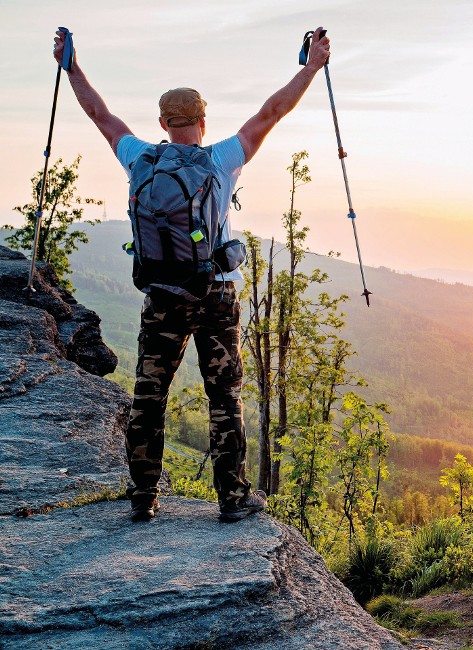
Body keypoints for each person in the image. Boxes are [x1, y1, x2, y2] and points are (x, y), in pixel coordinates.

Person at [53, 27, 330, 522]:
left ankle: (143, 497)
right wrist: (310, 67)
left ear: (162, 121)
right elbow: (272, 112)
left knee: (149, 393)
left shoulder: (140, 157)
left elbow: (99, 113)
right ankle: (233, 498)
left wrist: (71, 66)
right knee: (224, 395)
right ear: (203, 120)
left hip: (161, 296)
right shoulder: (221, 160)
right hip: (217, 295)